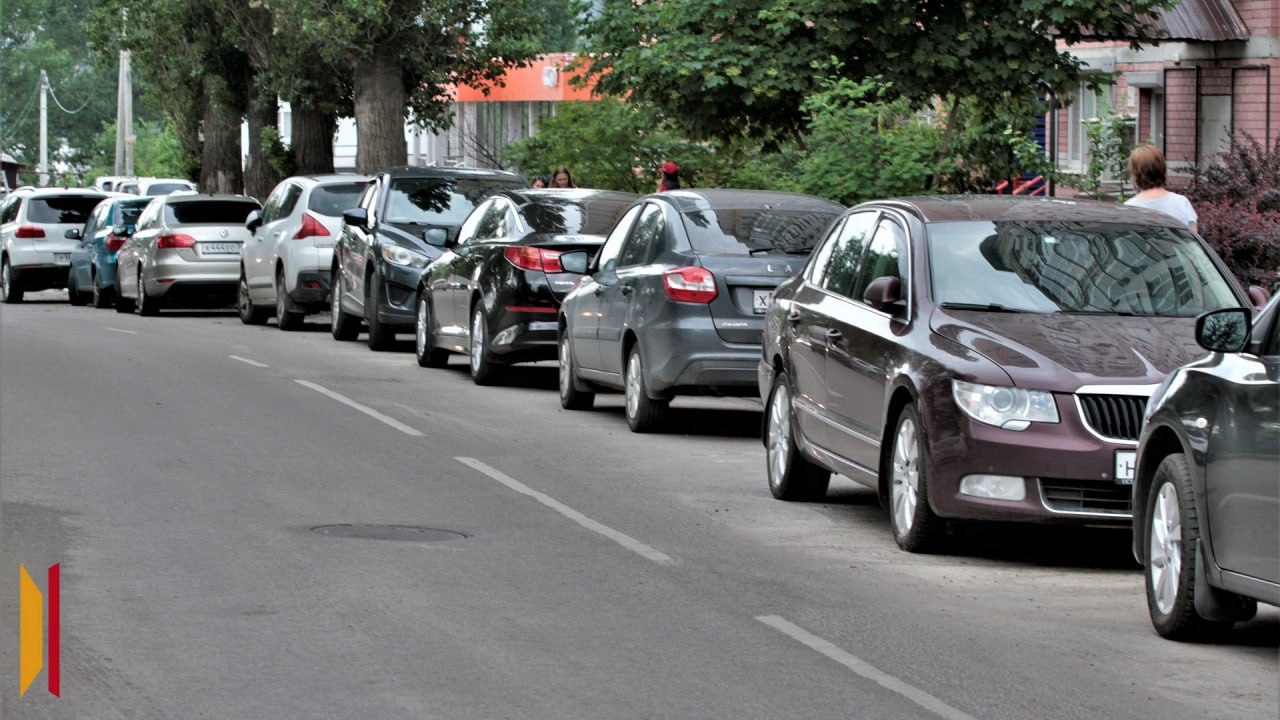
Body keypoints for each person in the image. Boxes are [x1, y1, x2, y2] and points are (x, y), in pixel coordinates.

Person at [1124, 144, 1198, 233]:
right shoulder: (1181, 203)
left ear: (1135, 173)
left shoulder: (1128, 209)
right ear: (1162, 169)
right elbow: (1194, 242)